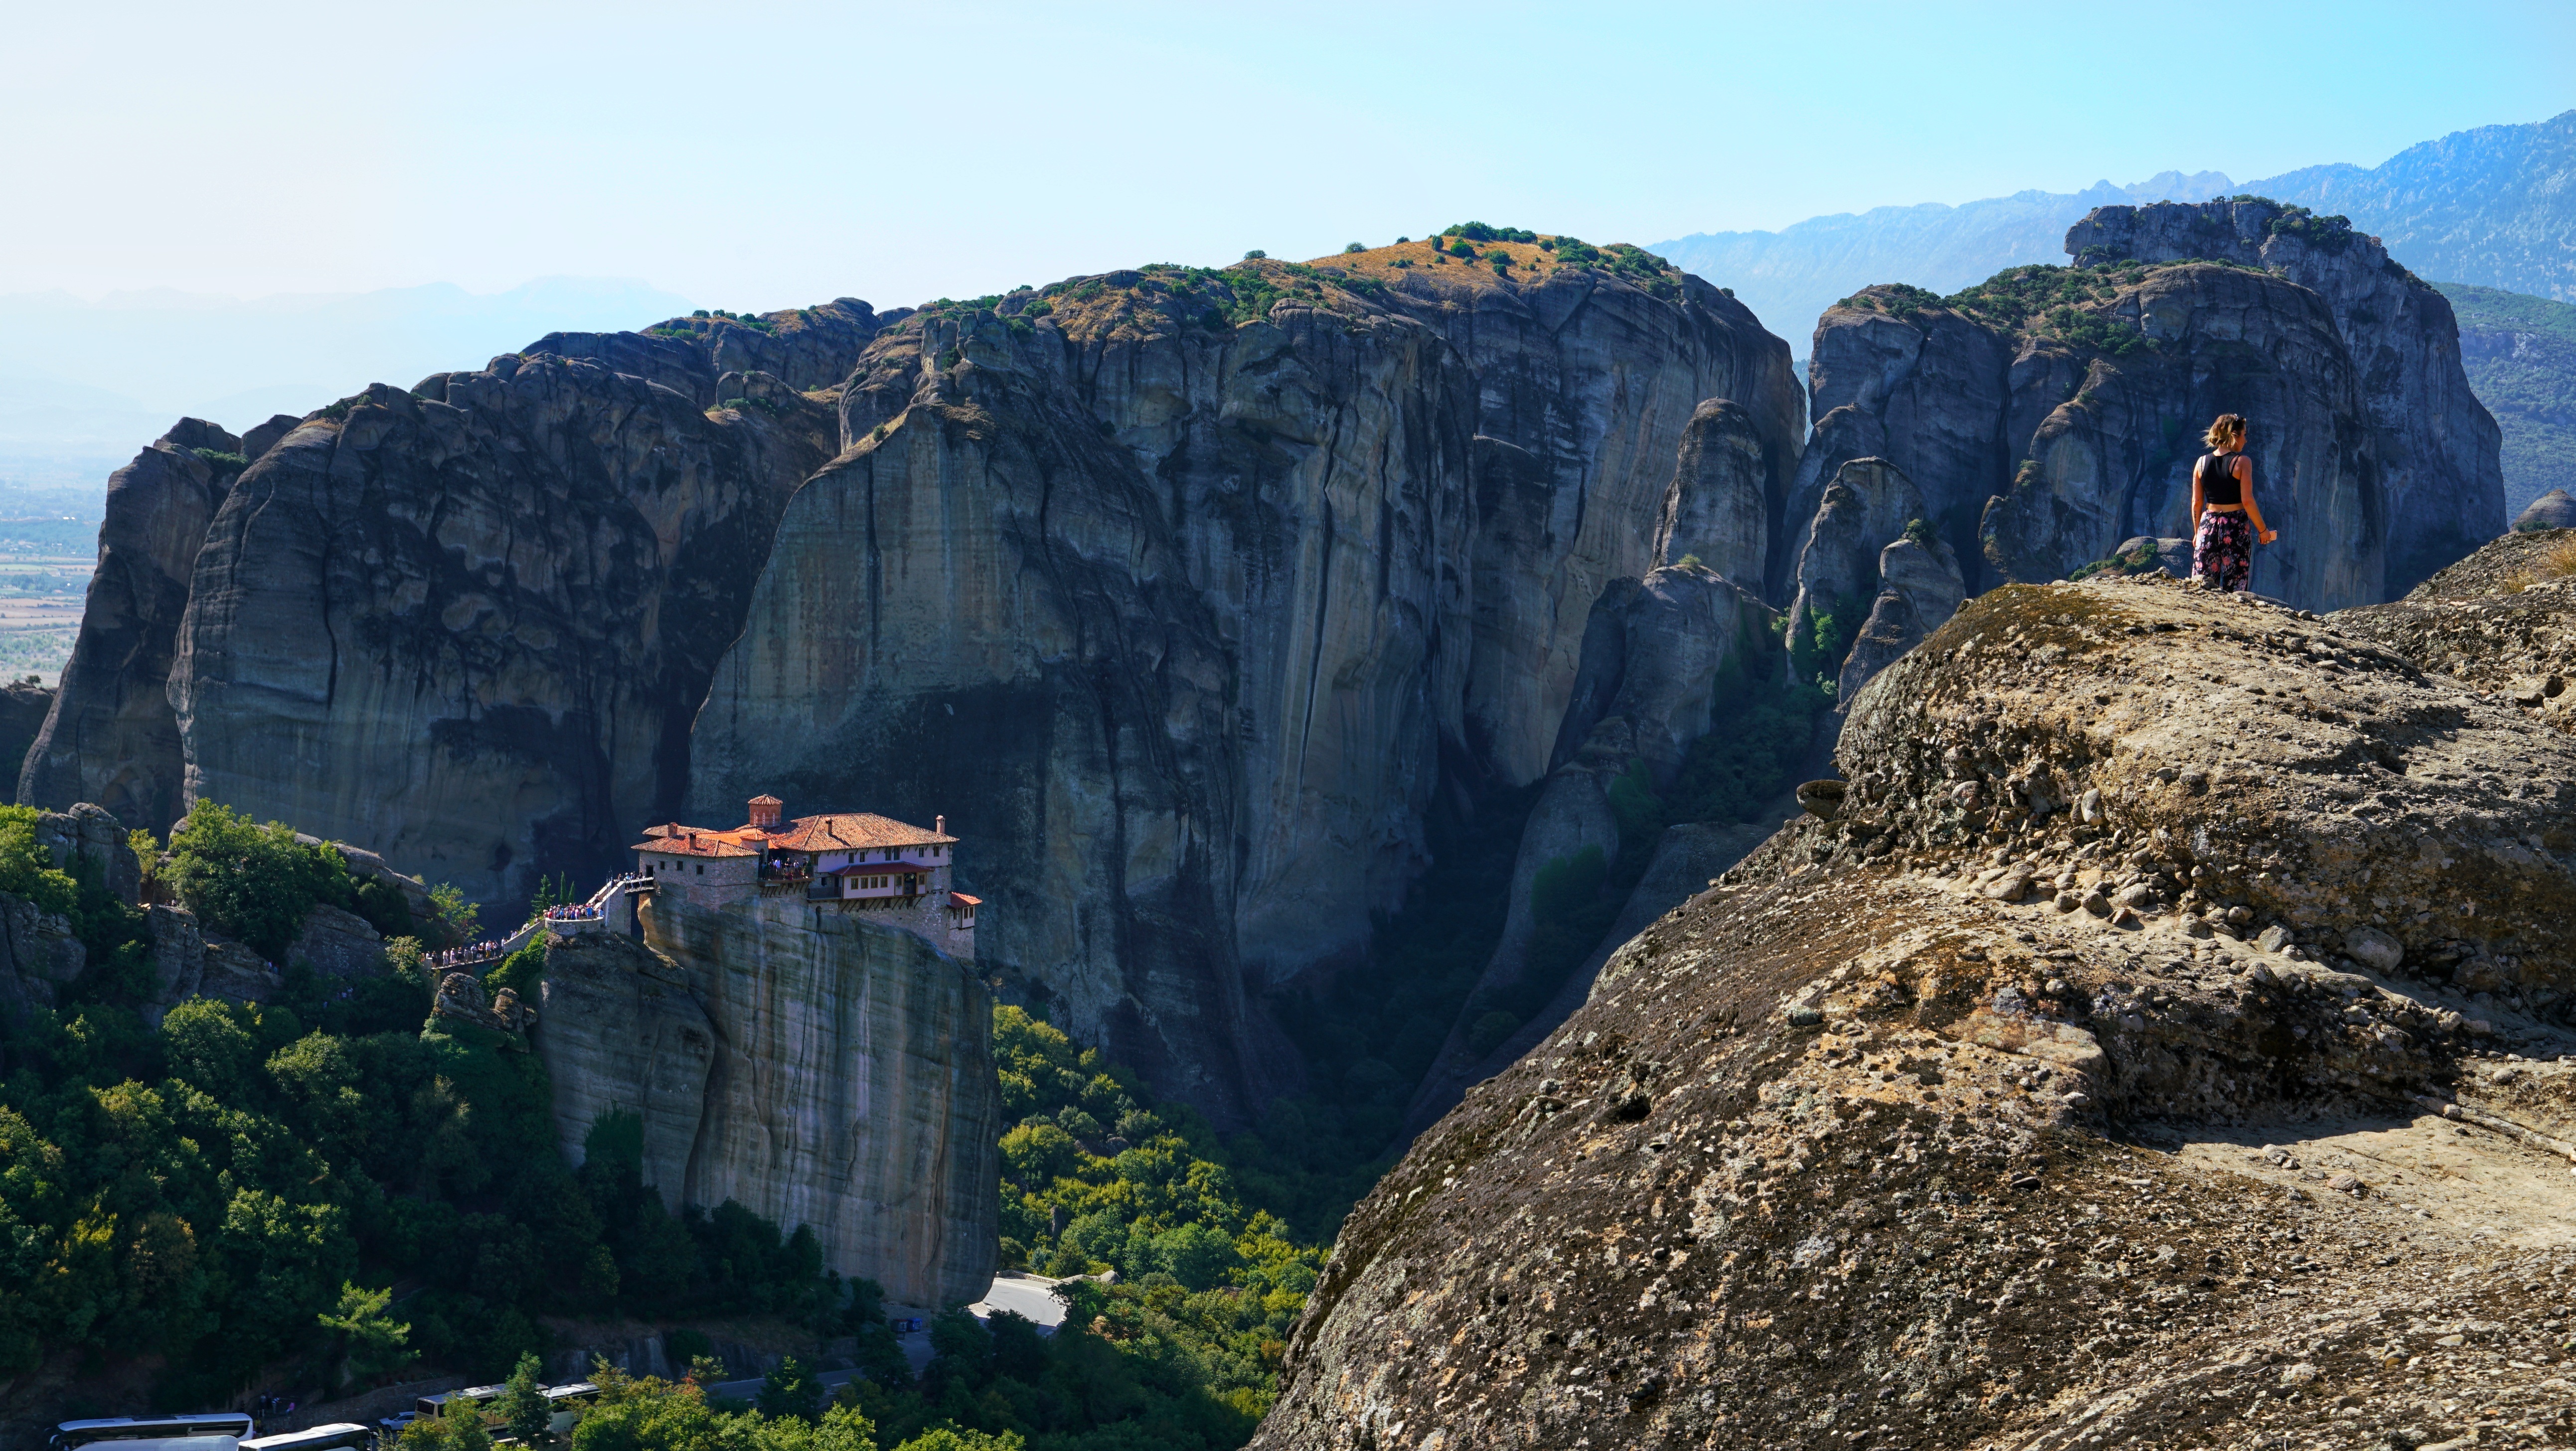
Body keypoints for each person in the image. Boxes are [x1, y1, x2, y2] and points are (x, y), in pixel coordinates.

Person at [2191, 414, 2276, 592]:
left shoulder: (2201, 463)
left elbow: (2197, 502)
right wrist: (2263, 531)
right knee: (2235, 586)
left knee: (2202, 585)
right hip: (2235, 526)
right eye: (2244, 435)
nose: (2246, 440)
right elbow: (2247, 501)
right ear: (2234, 435)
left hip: (2208, 524)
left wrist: (2197, 532)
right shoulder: (2242, 462)